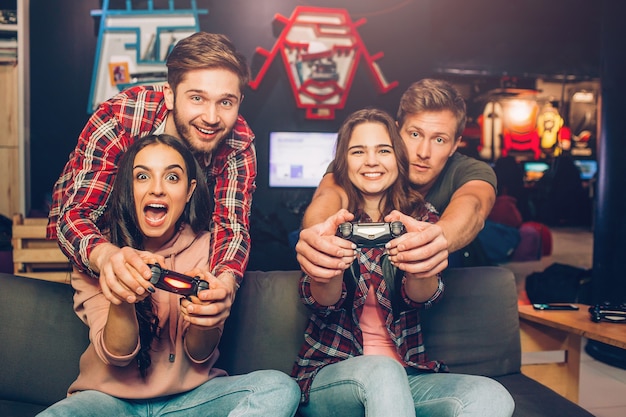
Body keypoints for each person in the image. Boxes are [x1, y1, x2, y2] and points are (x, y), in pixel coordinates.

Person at [38, 135, 300, 417]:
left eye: (172, 178)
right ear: (129, 187)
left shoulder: (212, 249)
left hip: (193, 399)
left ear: (189, 191)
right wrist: (123, 297)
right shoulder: (101, 253)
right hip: (109, 401)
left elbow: (199, 355)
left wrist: (205, 319)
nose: (157, 190)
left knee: (279, 388)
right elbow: (117, 355)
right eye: (142, 177)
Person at [291, 108, 514, 417]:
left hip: (407, 374)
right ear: (343, 162)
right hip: (331, 376)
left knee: (491, 396)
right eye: (358, 151)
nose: (371, 161)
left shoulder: (420, 217)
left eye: (383, 150)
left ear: (398, 158)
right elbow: (324, 301)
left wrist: (421, 264)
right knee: (382, 373)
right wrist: (326, 265)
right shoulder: (330, 220)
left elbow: (421, 297)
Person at [46, 32, 255, 320]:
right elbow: (75, 215)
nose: (211, 117)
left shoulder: (238, 140)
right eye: (197, 98)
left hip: (181, 247)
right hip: (103, 238)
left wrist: (224, 285)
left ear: (240, 101)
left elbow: (231, 226)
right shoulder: (120, 118)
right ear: (170, 94)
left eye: (226, 102)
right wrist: (106, 257)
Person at [295, 78, 496, 278]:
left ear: (454, 145)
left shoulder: (469, 170)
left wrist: (437, 239)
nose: (423, 152)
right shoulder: (365, 163)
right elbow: (329, 194)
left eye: (439, 139)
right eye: (415, 134)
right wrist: (318, 238)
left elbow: (474, 205)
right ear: (397, 131)